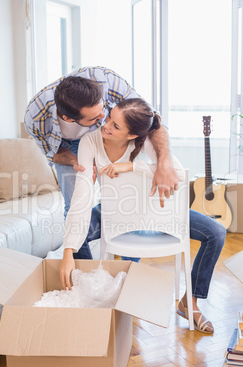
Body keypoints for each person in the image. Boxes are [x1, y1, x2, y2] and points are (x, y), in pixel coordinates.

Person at [59, 97, 226, 335]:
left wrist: (131, 167)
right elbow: (82, 194)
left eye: (115, 126)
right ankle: (95, 296)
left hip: (154, 213)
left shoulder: (145, 141)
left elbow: (178, 173)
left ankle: (190, 301)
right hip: (114, 214)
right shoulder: (90, 141)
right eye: (109, 118)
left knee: (216, 233)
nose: (105, 126)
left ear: (131, 136)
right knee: (77, 237)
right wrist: (68, 251)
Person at [24, 66, 178, 259]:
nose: (102, 119)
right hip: (66, 147)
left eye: (104, 110)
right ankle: (82, 268)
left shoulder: (106, 81)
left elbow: (150, 120)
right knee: (75, 203)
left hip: (112, 136)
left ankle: (129, 265)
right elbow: (51, 153)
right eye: (95, 117)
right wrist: (75, 162)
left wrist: (163, 163)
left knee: (126, 197)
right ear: (68, 118)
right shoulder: (35, 118)